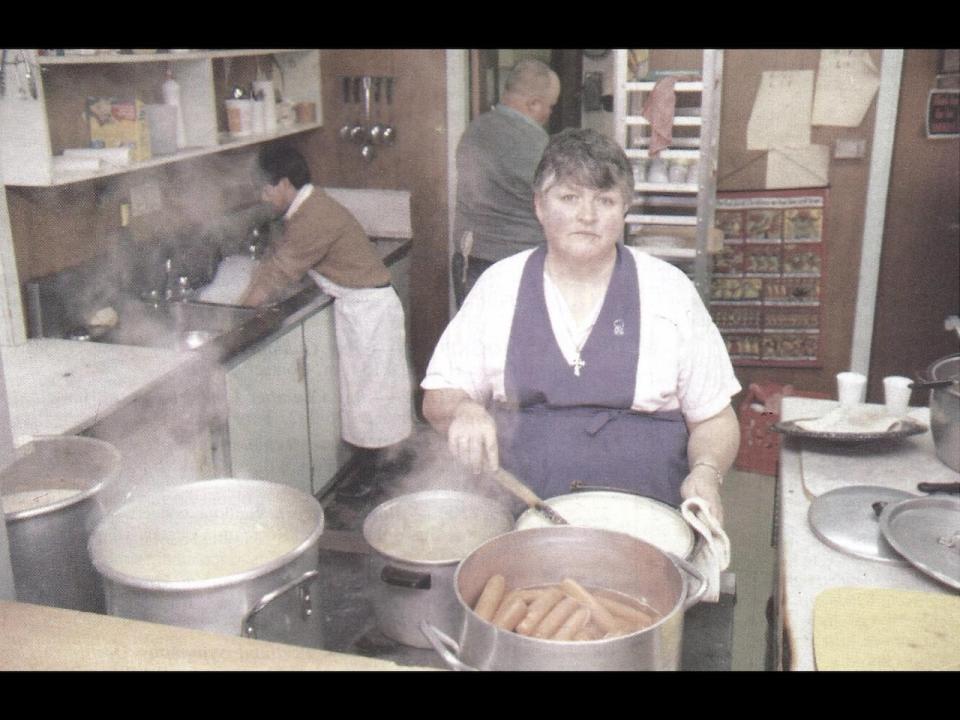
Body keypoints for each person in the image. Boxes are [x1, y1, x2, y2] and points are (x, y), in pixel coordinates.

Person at [422, 128, 740, 523]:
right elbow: (438, 398)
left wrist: (707, 474)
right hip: (524, 515)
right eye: (569, 197)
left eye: (604, 200)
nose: (587, 216)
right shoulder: (499, 286)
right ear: (540, 205)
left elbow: (713, 417)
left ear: (625, 208)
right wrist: (466, 409)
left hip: (652, 520)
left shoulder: (668, 290)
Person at [240, 144, 412, 486]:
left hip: (368, 312)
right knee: (375, 394)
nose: (263, 197)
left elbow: (277, 272)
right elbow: (280, 261)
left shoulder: (311, 217)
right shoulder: (310, 206)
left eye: (266, 189)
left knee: (369, 397)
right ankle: (388, 467)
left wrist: (239, 310)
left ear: (285, 184)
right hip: (366, 307)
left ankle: (375, 478)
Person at [451, 58, 561, 307]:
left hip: (470, 258)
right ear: (533, 104)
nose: (549, 113)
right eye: (550, 106)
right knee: (519, 342)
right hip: (518, 262)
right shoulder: (536, 144)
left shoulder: (474, 131)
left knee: (476, 341)